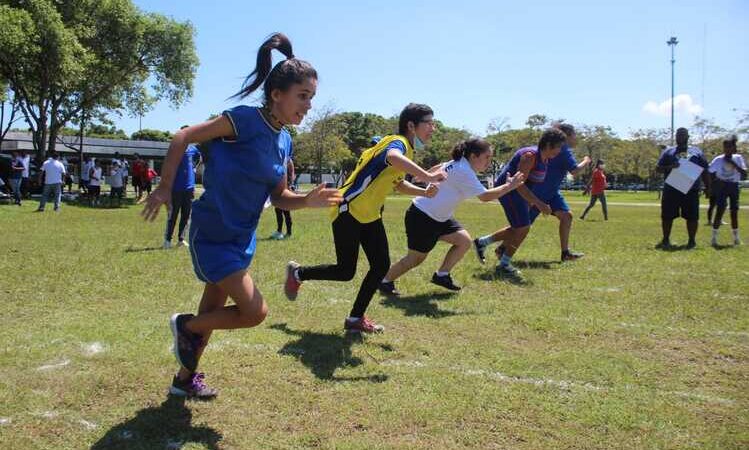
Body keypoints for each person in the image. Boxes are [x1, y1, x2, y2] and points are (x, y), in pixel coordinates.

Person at [141, 33, 341, 398]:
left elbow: (279, 197)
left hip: (241, 238)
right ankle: (184, 325)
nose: (308, 105)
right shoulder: (243, 120)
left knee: (212, 316)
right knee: (254, 311)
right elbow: (183, 136)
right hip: (214, 233)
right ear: (277, 94)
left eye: (311, 98)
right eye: (303, 96)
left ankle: (183, 382)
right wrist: (164, 186)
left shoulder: (284, 141)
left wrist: (307, 201)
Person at [285, 103, 447, 335]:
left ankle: (354, 319)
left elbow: (398, 183)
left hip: (369, 215)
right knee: (345, 271)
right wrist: (428, 175)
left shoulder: (407, 150)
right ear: (411, 125)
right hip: (348, 209)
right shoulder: (398, 142)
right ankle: (298, 273)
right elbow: (392, 156)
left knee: (380, 266)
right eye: (429, 123)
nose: (433, 128)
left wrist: (423, 191)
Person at [379, 138, 525, 296]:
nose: (489, 162)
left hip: (439, 217)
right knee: (415, 259)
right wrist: (510, 186)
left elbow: (441, 166)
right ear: (474, 156)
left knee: (463, 241)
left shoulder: (459, 163)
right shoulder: (464, 170)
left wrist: (426, 175)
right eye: (487, 157)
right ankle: (384, 281)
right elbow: (485, 197)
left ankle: (442, 275)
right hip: (423, 216)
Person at [472, 128, 567, 283]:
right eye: (559, 146)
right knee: (523, 227)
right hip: (508, 190)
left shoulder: (545, 159)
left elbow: (529, 183)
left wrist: (531, 201)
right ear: (549, 145)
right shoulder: (530, 156)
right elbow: (518, 183)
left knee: (518, 228)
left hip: (519, 193)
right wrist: (538, 203)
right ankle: (503, 264)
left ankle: (481, 242)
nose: (560, 150)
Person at [519, 123, 591, 261]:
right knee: (522, 226)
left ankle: (565, 253)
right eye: (574, 135)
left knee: (566, 216)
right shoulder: (564, 149)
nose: (576, 138)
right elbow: (574, 170)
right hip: (539, 193)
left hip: (552, 193)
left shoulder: (558, 148)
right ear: (567, 136)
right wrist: (586, 161)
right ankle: (489, 243)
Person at [655, 127, 710, 249]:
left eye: (682, 135)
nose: (679, 137)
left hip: (691, 189)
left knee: (692, 216)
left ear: (688, 137)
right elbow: (658, 168)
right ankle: (665, 239)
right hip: (672, 188)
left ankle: (691, 241)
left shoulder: (696, 152)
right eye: (678, 135)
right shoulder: (668, 152)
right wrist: (671, 167)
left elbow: (705, 171)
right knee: (667, 216)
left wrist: (708, 187)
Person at [163, 126, 202, 249]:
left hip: (189, 189)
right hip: (176, 189)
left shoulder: (193, 149)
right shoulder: (174, 149)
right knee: (173, 215)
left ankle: (181, 239)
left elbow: (199, 158)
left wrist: (194, 168)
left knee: (186, 215)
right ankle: (167, 240)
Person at [709, 135, 746, 246]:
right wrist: (713, 184)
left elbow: (744, 173)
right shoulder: (718, 159)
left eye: (730, 147)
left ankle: (736, 238)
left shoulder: (738, 158)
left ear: (734, 148)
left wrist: (733, 163)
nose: (727, 149)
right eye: (725, 147)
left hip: (733, 186)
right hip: (722, 185)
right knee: (720, 210)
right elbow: (710, 171)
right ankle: (714, 238)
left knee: (734, 212)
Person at [271, 151, 295, 240]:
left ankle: (288, 232)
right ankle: (279, 231)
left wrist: (289, 185)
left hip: (285, 189)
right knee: (278, 211)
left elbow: (291, 175)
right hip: (279, 189)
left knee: (286, 211)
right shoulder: (283, 161)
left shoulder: (288, 161)